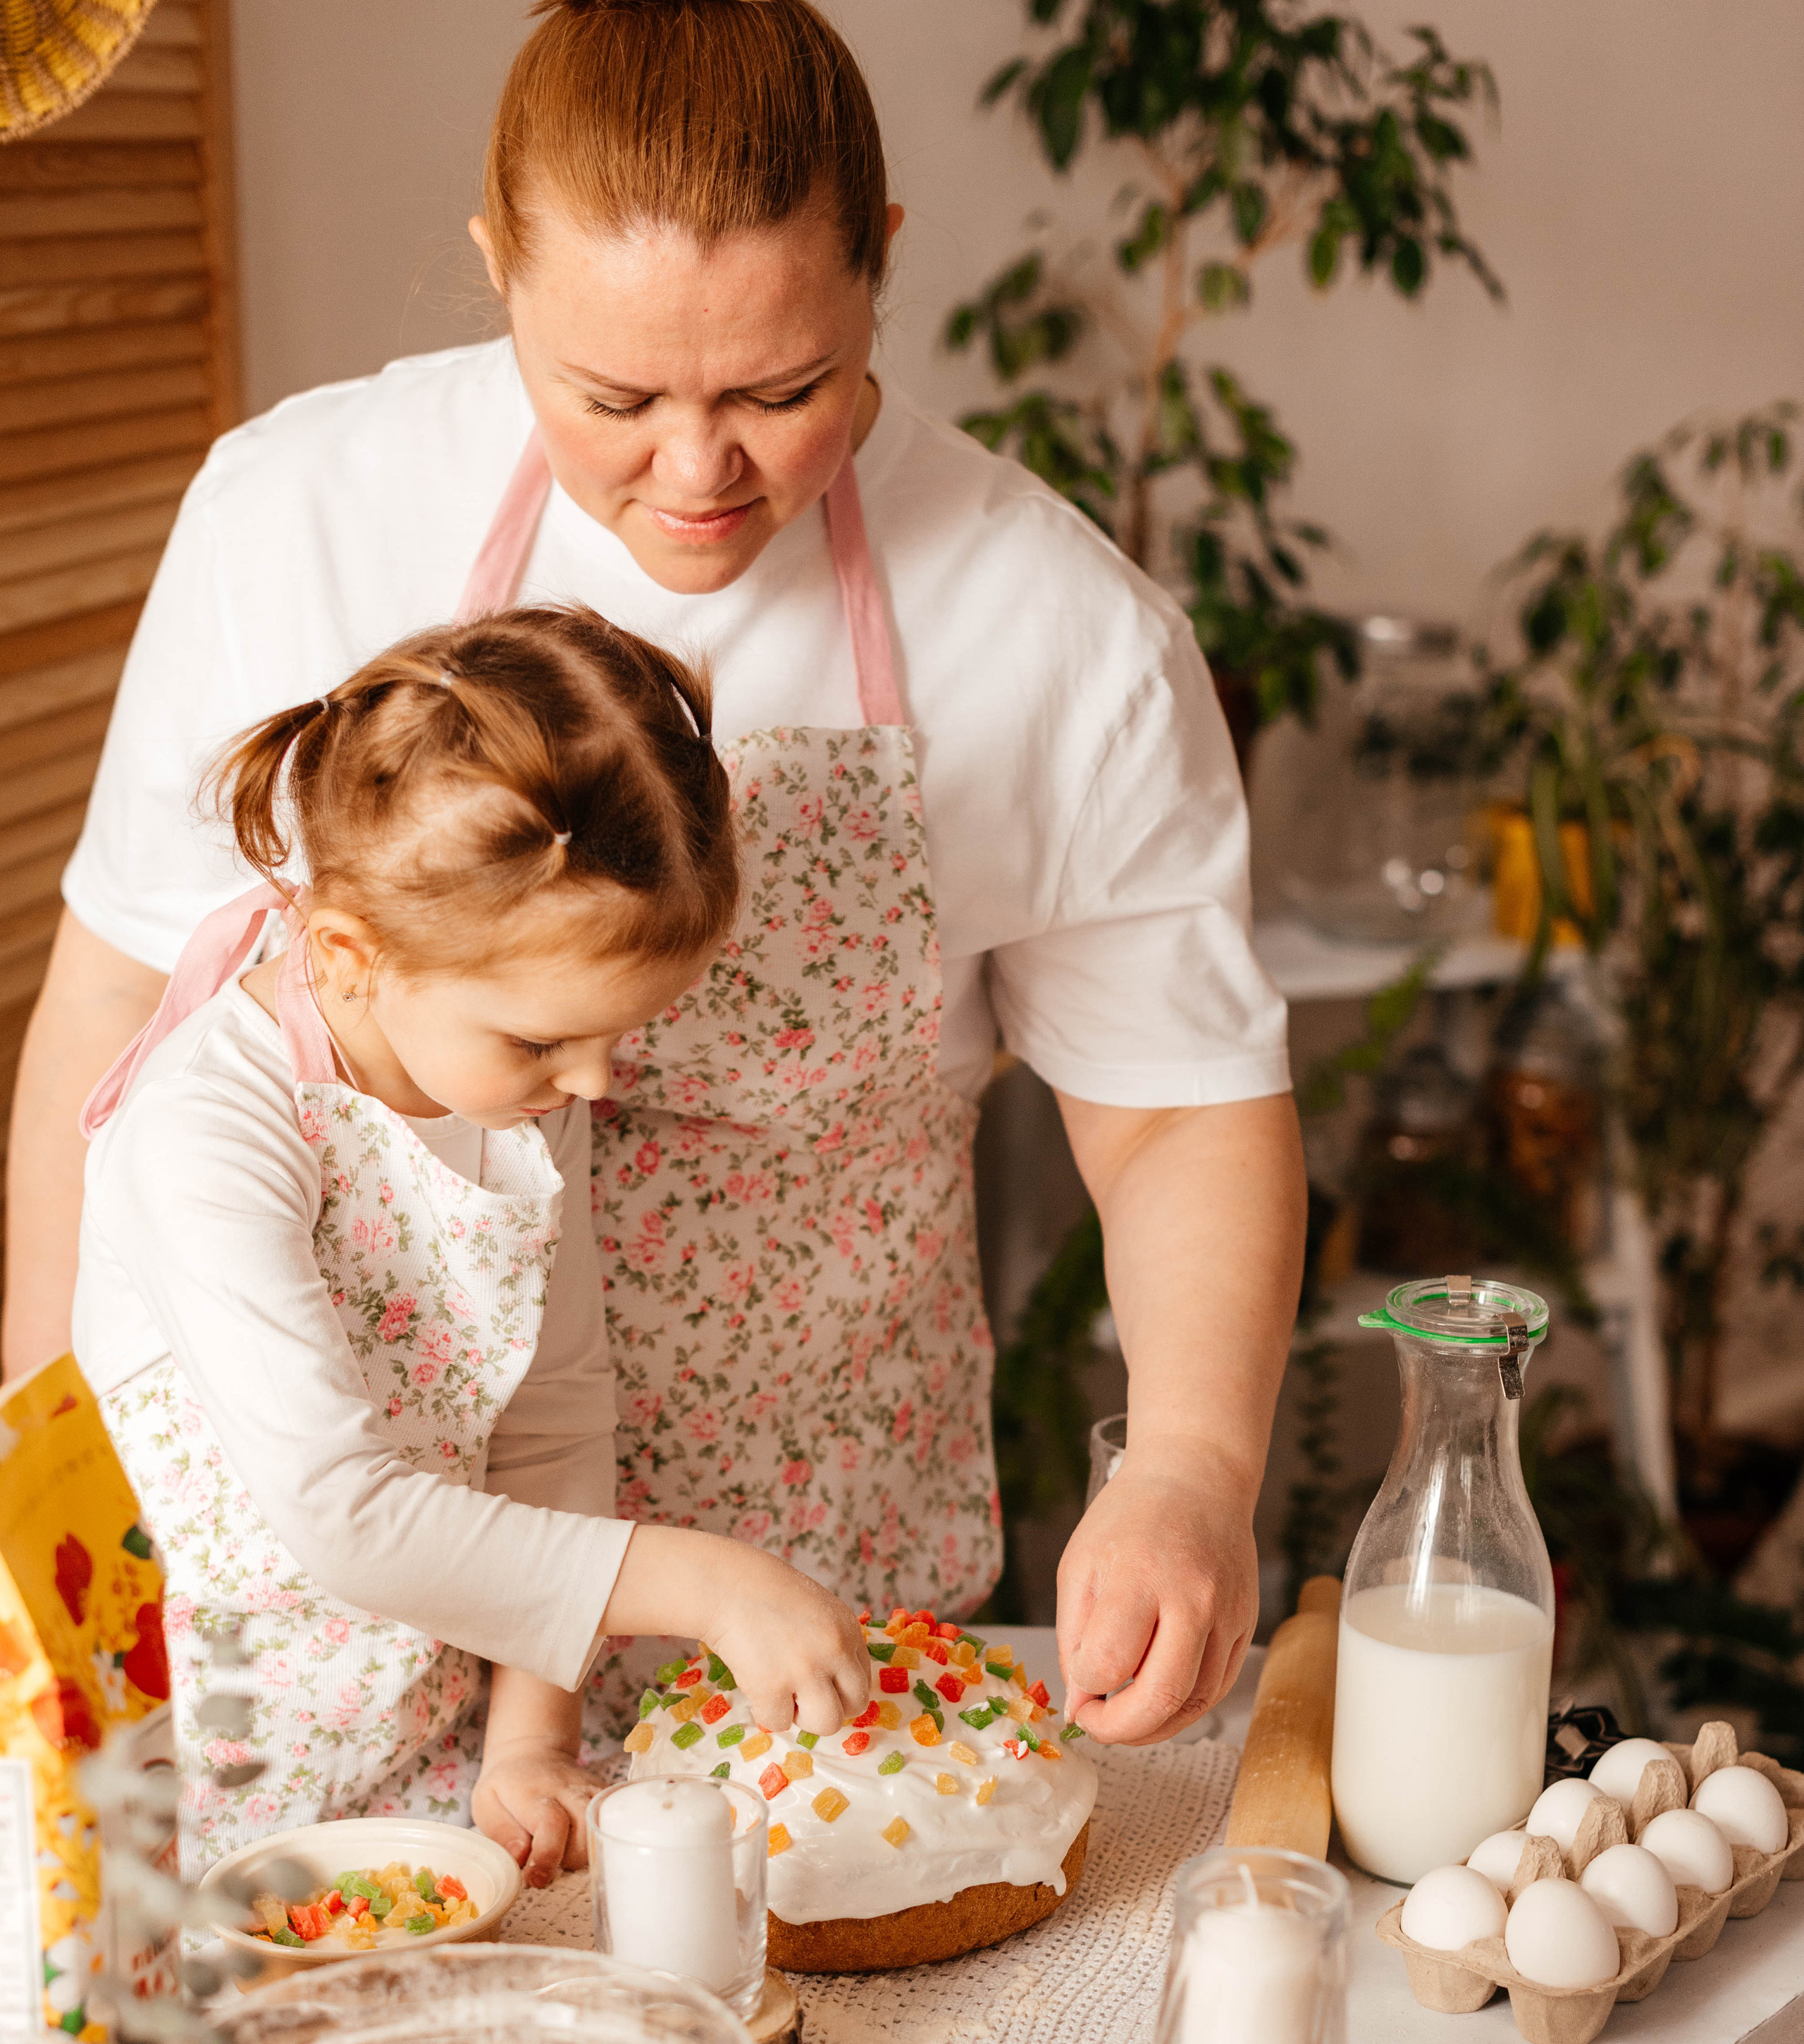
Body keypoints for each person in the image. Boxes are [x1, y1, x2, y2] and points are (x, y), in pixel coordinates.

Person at [14, 0, 1305, 1749]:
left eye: (782, 389)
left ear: (882, 268)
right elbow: (117, 1001)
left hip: (803, 1582)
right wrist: (41, 1484)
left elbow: (1171, 1109)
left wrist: (1191, 1468)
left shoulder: (1054, 632)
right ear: (498, 270)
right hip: (296, 1603)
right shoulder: (296, 511)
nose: (699, 471)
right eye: (610, 396)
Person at [73, 605, 868, 1878]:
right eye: (548, 1039)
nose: (599, 1083)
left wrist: (529, 1744)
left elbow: (552, 1414)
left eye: (619, 1034)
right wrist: (710, 1584)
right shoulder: (207, 1136)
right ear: (350, 952)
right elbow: (343, 1518)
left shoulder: (515, 1089)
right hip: (203, 1778)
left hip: (428, 1744)